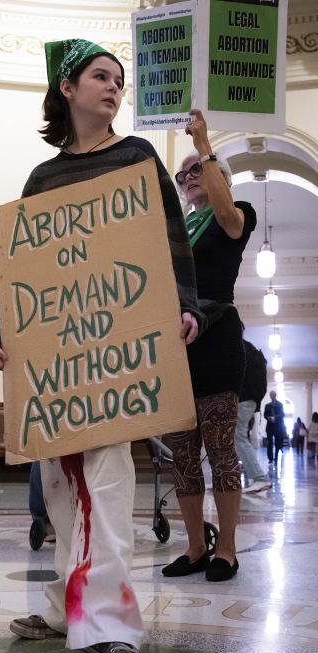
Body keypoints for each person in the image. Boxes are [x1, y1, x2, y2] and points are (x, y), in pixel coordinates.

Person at [0, 39, 202, 653]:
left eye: (118, 80)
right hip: (58, 361)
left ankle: (107, 628)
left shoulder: (137, 159)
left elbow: (168, 239)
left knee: (106, 486)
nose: (113, 88)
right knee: (60, 490)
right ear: (67, 88)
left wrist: (185, 304)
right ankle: (62, 607)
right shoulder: (42, 178)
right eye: (100, 77)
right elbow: (22, 265)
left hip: (116, 356)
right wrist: (4, 329)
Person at [162, 110, 257, 583]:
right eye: (185, 175)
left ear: (219, 175)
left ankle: (229, 550)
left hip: (216, 339)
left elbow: (225, 214)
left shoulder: (235, 217)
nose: (190, 177)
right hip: (177, 345)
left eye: (198, 170)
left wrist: (205, 146)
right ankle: (197, 547)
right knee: (182, 454)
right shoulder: (177, 232)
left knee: (221, 448)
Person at [237, 339, 271, 493]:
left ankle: (260, 478)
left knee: (238, 437)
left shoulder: (240, 347)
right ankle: (230, 479)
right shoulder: (251, 348)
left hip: (244, 398)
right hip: (250, 399)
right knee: (235, 437)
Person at [264, 390, 285, 465]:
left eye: (273, 395)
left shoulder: (280, 404)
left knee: (277, 443)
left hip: (277, 427)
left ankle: (276, 458)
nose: (272, 396)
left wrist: (275, 418)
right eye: (270, 395)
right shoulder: (267, 405)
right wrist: (268, 418)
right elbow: (265, 415)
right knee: (269, 443)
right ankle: (270, 458)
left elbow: (282, 414)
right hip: (269, 427)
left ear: (275, 395)